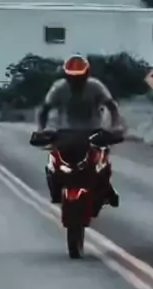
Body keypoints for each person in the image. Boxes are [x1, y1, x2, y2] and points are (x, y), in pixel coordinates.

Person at [33, 54, 125, 207]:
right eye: (72, 77)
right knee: (54, 159)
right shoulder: (59, 88)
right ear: (66, 76)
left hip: (93, 131)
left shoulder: (95, 86)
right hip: (65, 132)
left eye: (79, 77)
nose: (75, 80)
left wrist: (115, 126)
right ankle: (56, 186)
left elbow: (111, 106)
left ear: (86, 74)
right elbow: (44, 109)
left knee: (101, 159)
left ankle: (105, 188)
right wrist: (41, 130)